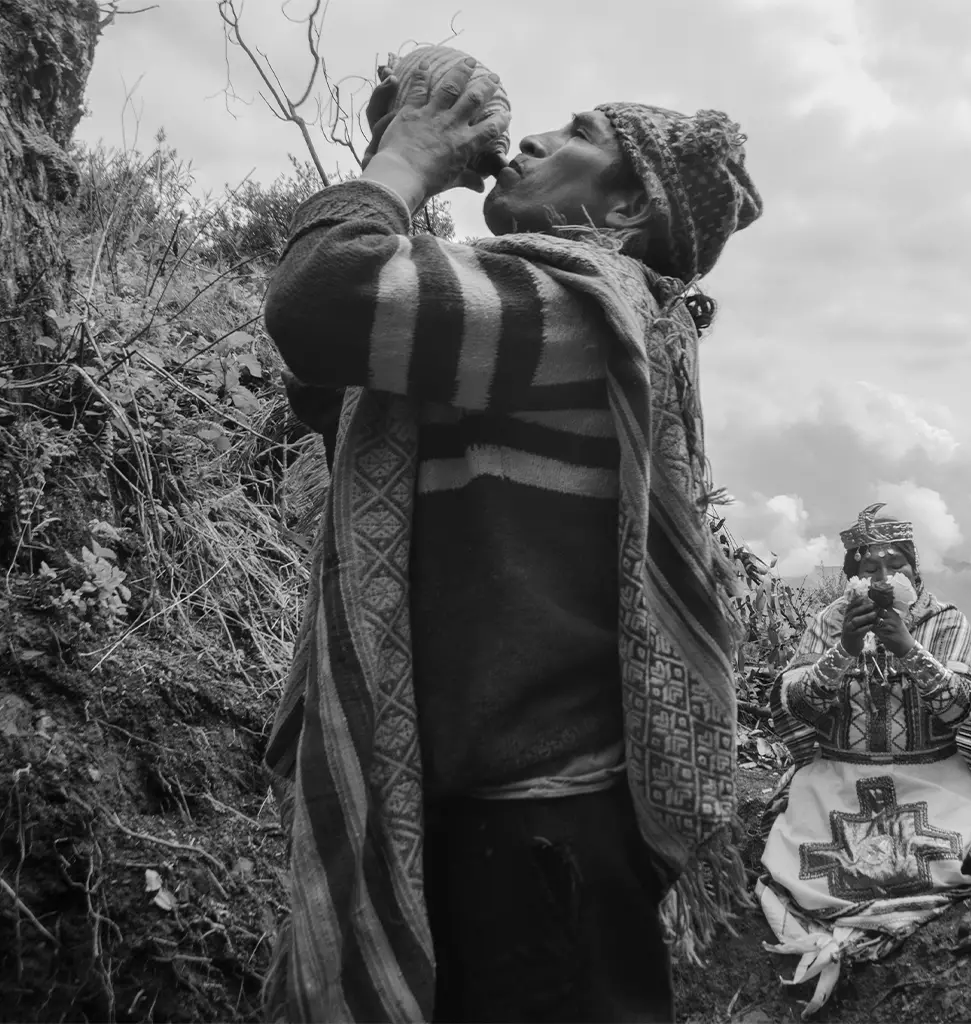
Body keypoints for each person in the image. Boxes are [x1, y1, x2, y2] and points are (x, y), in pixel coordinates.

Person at [261, 58, 761, 1023]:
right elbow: (330, 391)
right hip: (500, 822)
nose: (531, 139)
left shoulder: (582, 308)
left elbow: (319, 302)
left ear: (623, 209)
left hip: (534, 841)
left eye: (577, 134)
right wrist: (389, 152)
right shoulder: (533, 319)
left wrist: (403, 163)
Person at [763, 503, 971, 913]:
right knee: (801, 866)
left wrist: (909, 650)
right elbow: (798, 706)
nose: (883, 578)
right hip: (836, 780)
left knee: (952, 864)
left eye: (896, 565)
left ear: (916, 571)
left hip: (935, 781)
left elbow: (964, 709)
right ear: (852, 579)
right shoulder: (829, 622)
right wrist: (845, 649)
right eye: (869, 569)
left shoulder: (945, 622)